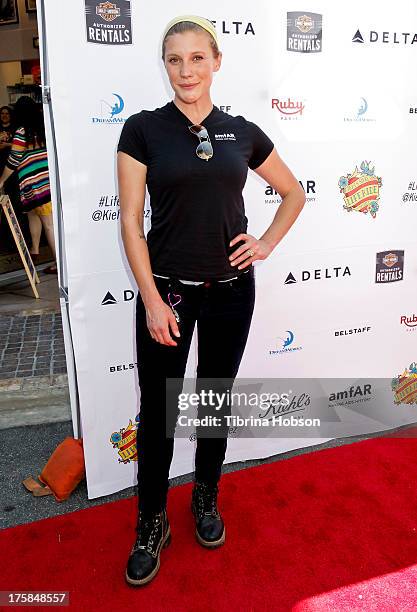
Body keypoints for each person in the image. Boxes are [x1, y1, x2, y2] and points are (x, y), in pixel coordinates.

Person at [117, 15, 305, 587]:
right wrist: (151, 299)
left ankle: (204, 498)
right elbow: (129, 221)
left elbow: (294, 192)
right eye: (175, 60)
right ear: (165, 66)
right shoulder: (143, 128)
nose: (186, 70)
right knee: (159, 412)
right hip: (168, 293)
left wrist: (267, 242)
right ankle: (152, 520)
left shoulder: (241, 131)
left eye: (197, 58)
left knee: (214, 401)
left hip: (230, 292)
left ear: (216, 62)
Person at [0, 96, 57, 274]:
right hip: (47, 179)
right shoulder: (42, 129)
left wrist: (1, 180)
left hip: (35, 184)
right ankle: (35, 250)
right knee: (33, 214)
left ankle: (60, 265)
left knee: (48, 224)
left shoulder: (22, 132)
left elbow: (14, 159)